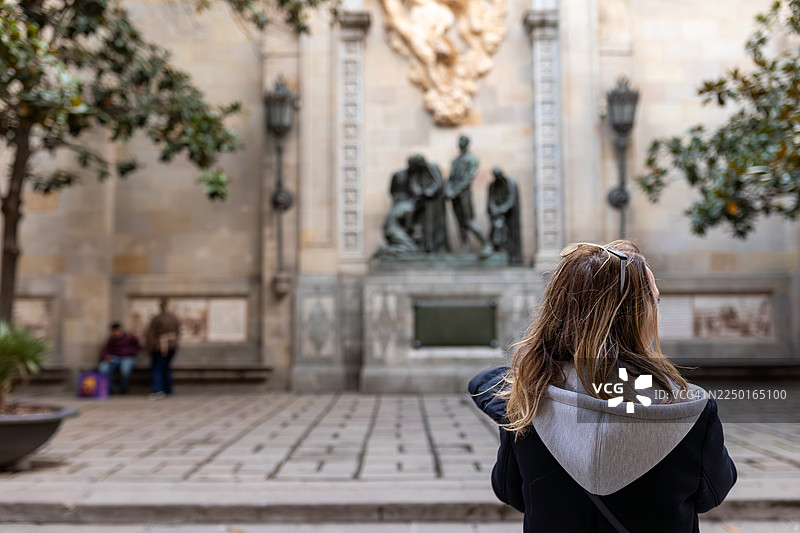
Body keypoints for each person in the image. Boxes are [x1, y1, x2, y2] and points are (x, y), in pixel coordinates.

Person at [469, 240, 736, 533]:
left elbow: (510, 490)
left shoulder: (528, 398)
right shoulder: (690, 409)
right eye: (655, 302)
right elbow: (712, 493)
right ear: (637, 316)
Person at [445, 135, 492, 257]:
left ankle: (486, 244)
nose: (460, 143)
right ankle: (465, 247)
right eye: (459, 141)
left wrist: (455, 191)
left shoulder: (471, 158)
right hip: (455, 196)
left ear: (467, 143)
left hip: (464, 195)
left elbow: (469, 178)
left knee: (468, 221)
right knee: (460, 223)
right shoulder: (455, 160)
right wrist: (448, 190)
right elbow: (451, 178)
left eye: (462, 141)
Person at [146, 298, 181, 399]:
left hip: (159, 345)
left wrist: (150, 347)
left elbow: (151, 333)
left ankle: (158, 390)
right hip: (173, 345)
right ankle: (168, 389)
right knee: (166, 367)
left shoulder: (157, 318)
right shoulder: (174, 318)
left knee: (157, 368)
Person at [487, 166, 522, 264]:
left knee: (510, 233)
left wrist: (502, 209)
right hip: (497, 213)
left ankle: (512, 255)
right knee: (496, 228)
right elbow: (491, 200)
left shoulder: (510, 183)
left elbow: (511, 199)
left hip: (509, 214)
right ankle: (498, 249)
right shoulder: (492, 185)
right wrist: (494, 210)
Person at [98, 322, 141, 395]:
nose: (116, 333)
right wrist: (108, 357)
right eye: (114, 331)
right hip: (115, 358)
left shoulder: (129, 337)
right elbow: (106, 350)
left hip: (127, 357)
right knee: (103, 368)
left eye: (117, 330)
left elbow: (138, 346)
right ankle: (109, 388)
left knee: (125, 370)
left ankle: (124, 389)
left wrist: (132, 352)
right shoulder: (111, 339)